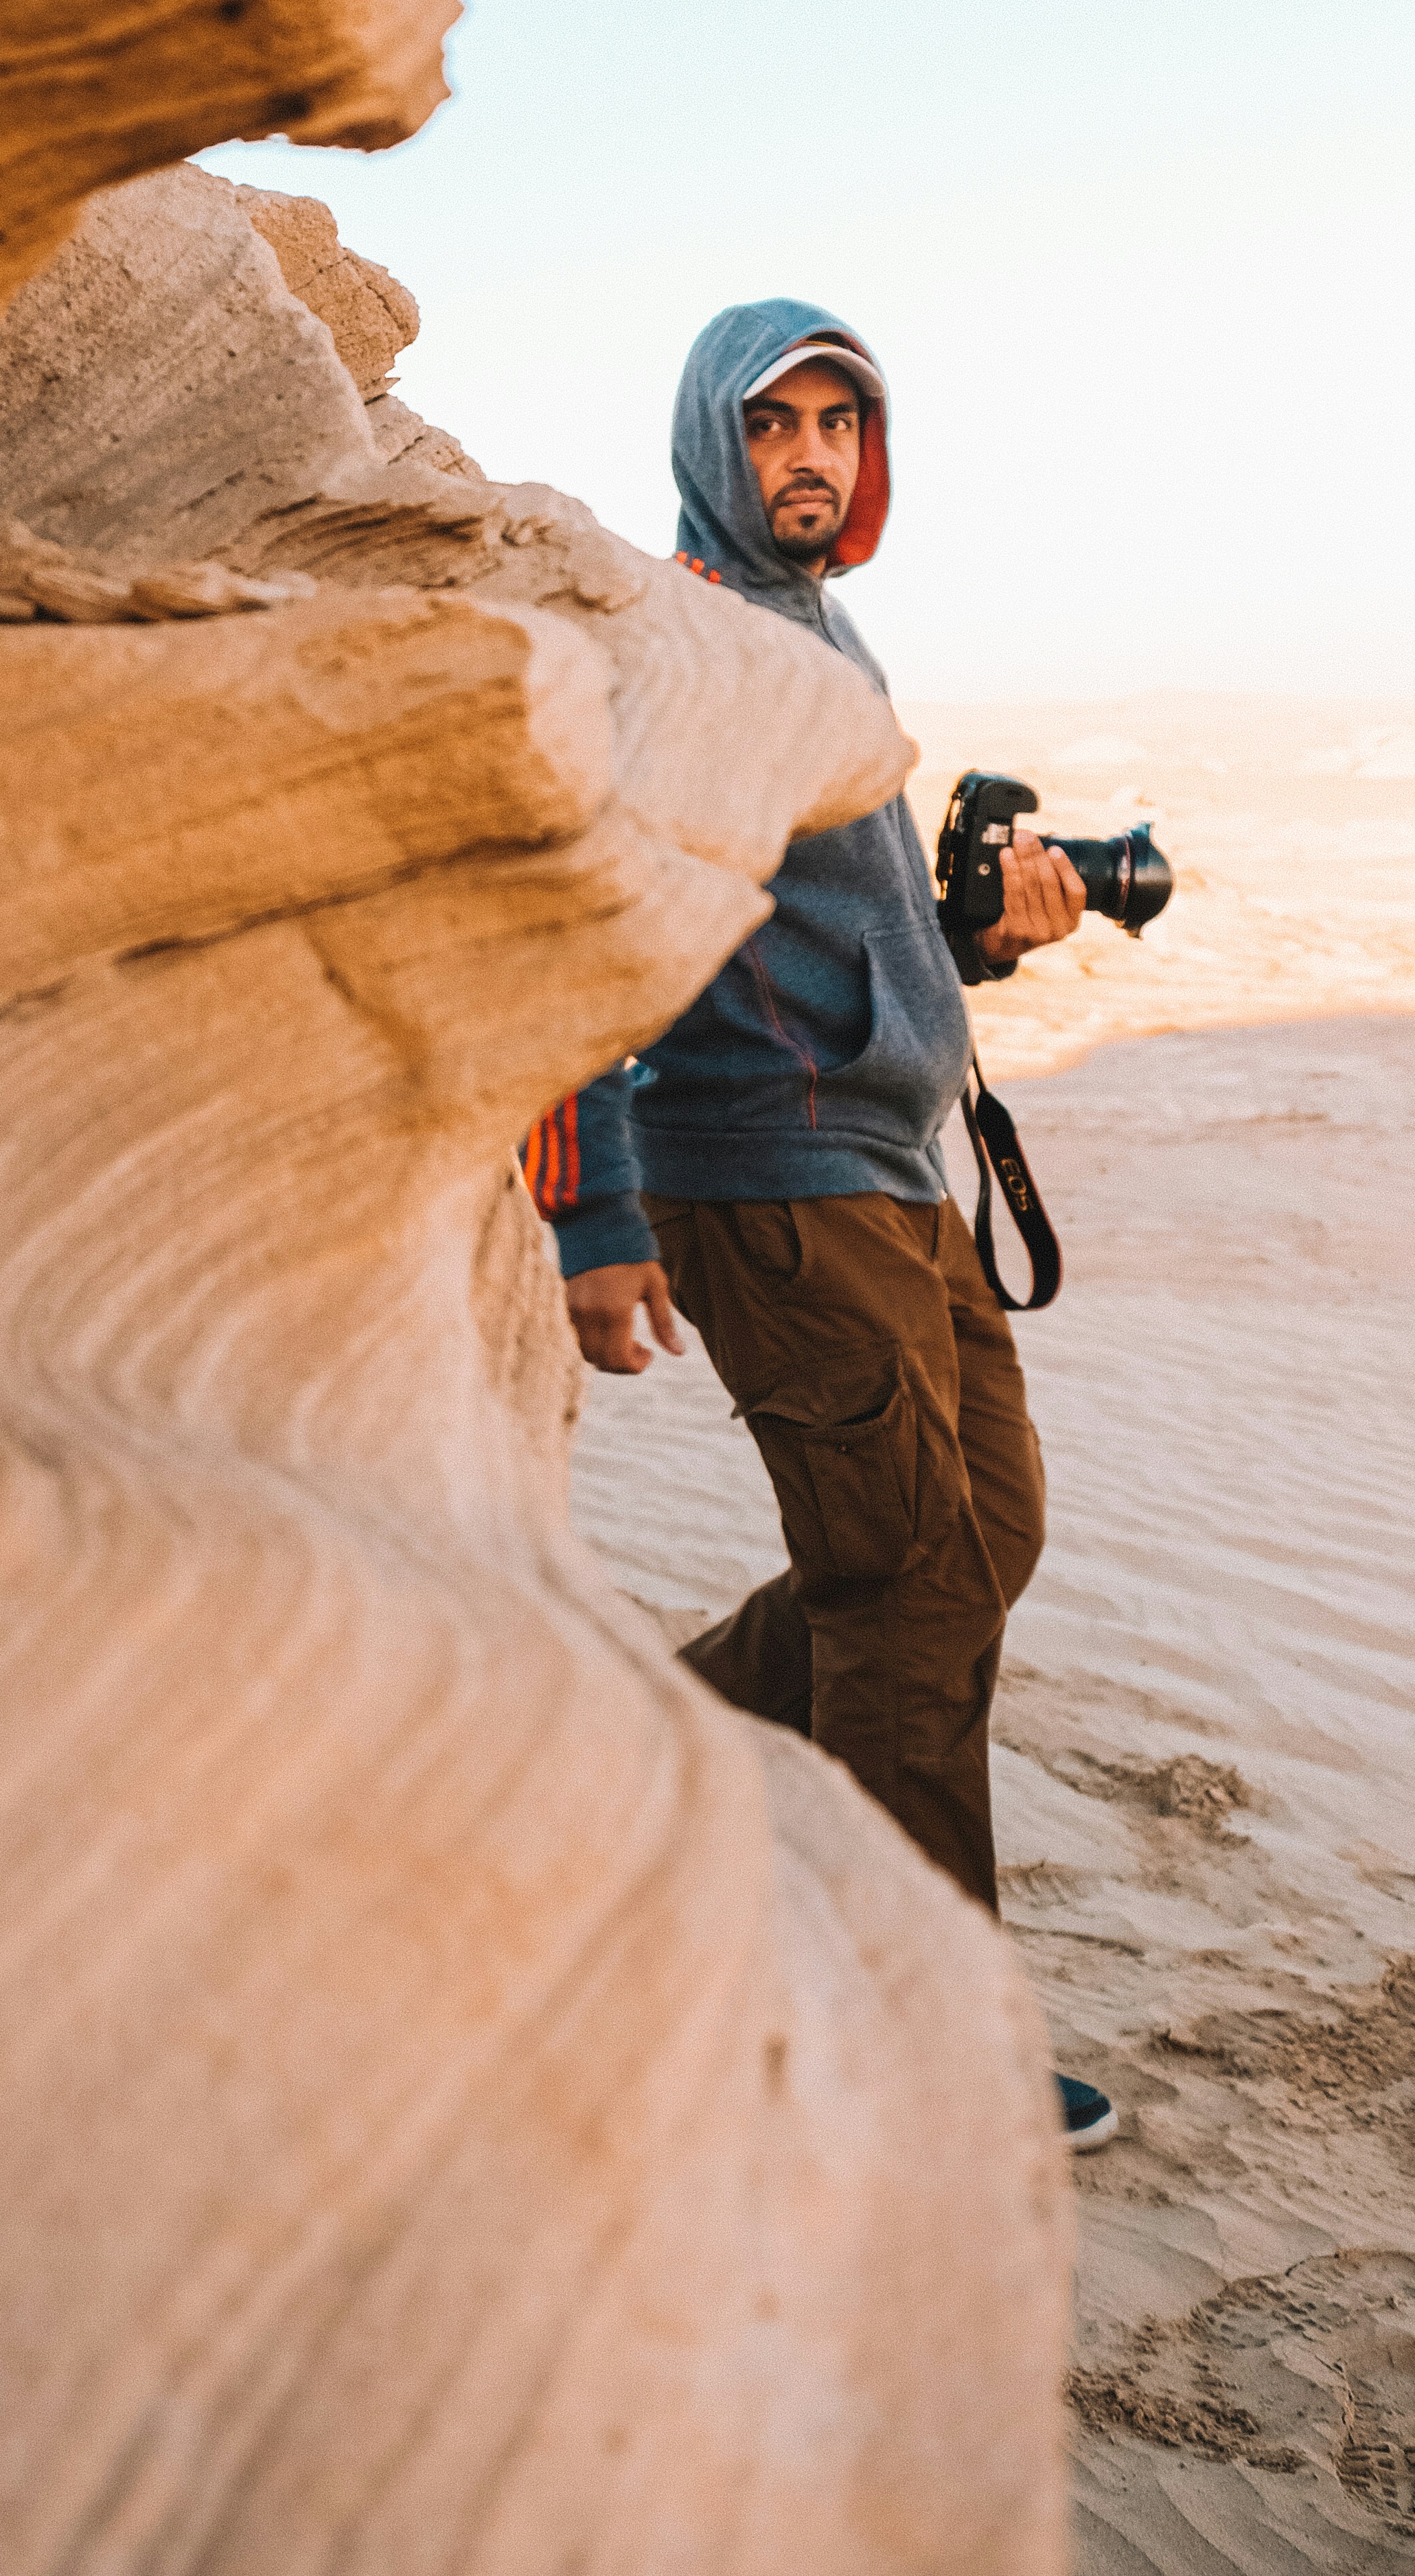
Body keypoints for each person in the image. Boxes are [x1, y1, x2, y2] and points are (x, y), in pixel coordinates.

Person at [521, 298, 1117, 2153]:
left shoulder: (817, 638)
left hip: (891, 1178)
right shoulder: (688, 642)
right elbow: (606, 915)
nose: (811, 455)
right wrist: (598, 1205)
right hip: (767, 1189)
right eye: (775, 424)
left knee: (974, 1543)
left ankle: (647, 1764)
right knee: (914, 1594)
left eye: (839, 426)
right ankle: (930, 2037)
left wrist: (977, 953)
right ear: (716, 440)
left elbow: (830, 956)